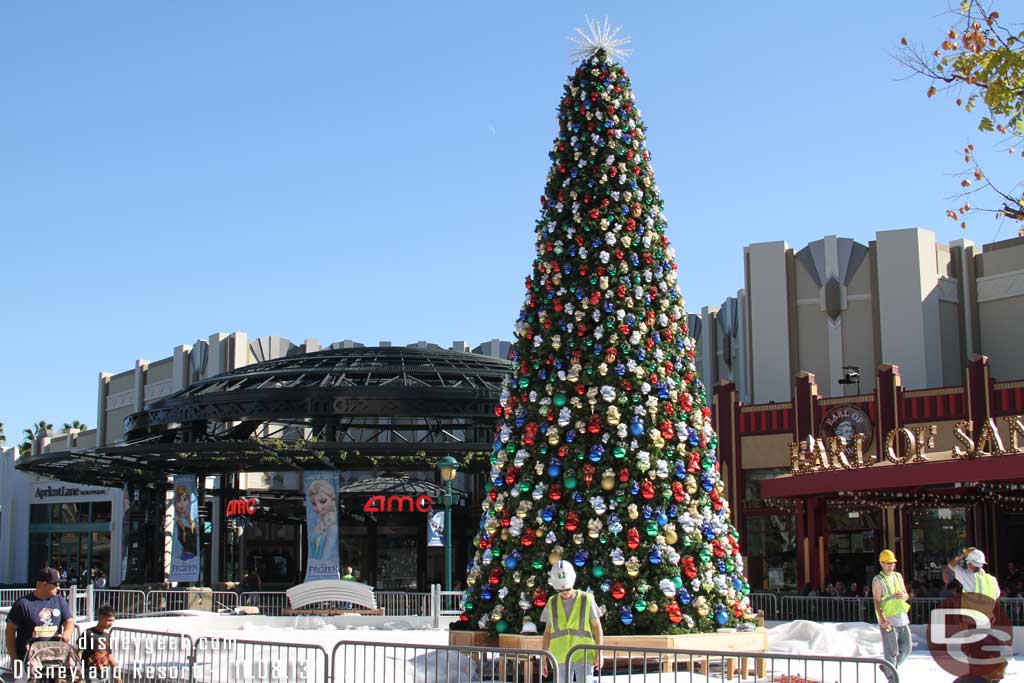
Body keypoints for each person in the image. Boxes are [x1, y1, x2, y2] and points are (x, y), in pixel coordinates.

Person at [4, 567, 75, 683]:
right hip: (27, 662)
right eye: (55, 584)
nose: (58, 587)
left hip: (54, 660)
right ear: (43, 584)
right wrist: (14, 660)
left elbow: (69, 621)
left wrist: (67, 633)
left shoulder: (60, 601)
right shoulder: (23, 604)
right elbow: (9, 632)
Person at [946, 547, 1006, 681]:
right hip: (988, 622)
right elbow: (996, 597)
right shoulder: (992, 579)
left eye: (968, 562)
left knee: (974, 655)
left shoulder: (969, 577)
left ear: (970, 563)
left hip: (973, 624)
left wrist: (963, 554)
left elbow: (951, 565)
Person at [540, 560, 604, 682]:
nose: (564, 593)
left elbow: (597, 627)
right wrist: (544, 658)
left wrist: (599, 653)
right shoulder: (552, 602)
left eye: (567, 589)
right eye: (560, 590)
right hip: (560, 657)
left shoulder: (587, 599)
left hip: (584, 656)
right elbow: (547, 632)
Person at [872, 549, 911, 682]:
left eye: (892, 563)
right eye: (888, 563)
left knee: (907, 648)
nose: (891, 566)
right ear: (881, 563)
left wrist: (904, 596)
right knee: (891, 652)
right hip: (888, 620)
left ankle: (888, 668)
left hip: (901, 617)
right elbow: (877, 600)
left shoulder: (898, 576)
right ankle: (891, 678)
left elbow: (906, 595)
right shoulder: (878, 580)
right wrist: (882, 618)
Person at [82, 605, 122, 683]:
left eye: (113, 621)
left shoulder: (107, 636)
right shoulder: (88, 633)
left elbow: (109, 656)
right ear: (100, 618)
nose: (111, 623)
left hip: (103, 675)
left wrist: (117, 675)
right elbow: (79, 653)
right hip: (90, 674)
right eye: (108, 620)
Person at [306, 479, 338, 562]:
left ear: (333, 501)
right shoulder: (317, 524)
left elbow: (326, 557)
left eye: (323, 501)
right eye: (314, 503)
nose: (318, 508)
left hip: (321, 570)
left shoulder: (332, 527)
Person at [173, 484, 198, 560]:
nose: (181, 504)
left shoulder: (191, 519)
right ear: (175, 503)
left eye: (184, 499)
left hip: (191, 557)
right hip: (184, 557)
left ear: (188, 501)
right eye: (178, 500)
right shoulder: (177, 521)